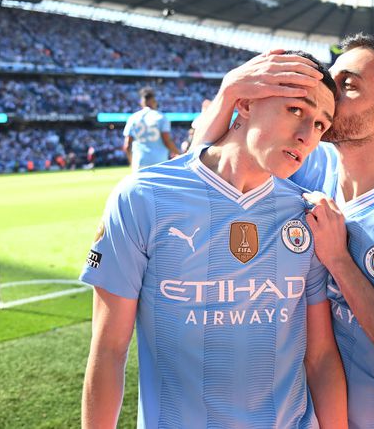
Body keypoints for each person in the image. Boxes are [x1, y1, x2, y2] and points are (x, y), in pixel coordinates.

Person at [193, 34, 374, 428]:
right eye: (331, 76)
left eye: (348, 85)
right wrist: (230, 92)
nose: (328, 91)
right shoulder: (305, 167)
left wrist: (339, 260)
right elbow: (206, 168)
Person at [80, 51, 347, 428]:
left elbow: (320, 356)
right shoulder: (142, 198)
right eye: (296, 110)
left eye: (321, 125)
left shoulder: (305, 216)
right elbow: (108, 351)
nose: (307, 136)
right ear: (245, 103)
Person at [123, 86, 180, 172]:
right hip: (159, 161)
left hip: (139, 162)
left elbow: (127, 145)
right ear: (154, 101)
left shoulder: (133, 118)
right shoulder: (161, 117)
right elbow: (167, 141)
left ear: (142, 102)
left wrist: (132, 162)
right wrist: (179, 153)